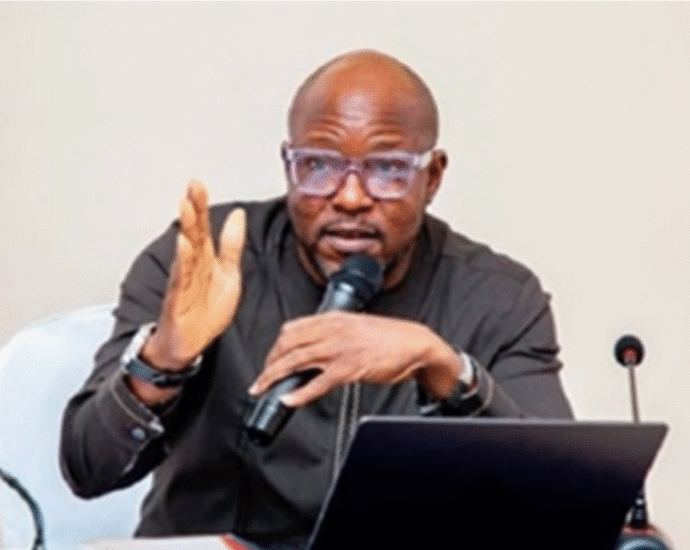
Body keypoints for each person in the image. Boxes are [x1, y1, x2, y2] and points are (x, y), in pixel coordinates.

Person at [60, 50, 573, 550]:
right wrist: (161, 363)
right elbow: (87, 469)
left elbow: (560, 505)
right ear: (289, 166)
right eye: (319, 166)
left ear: (432, 177)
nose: (350, 197)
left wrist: (444, 368)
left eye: (387, 169)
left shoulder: (499, 297)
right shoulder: (205, 261)